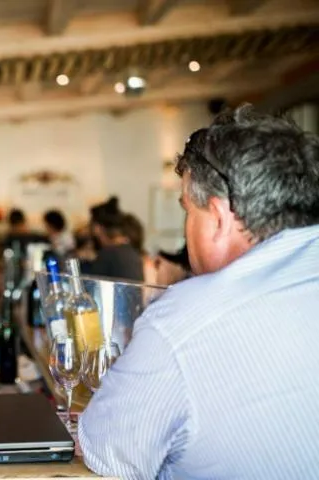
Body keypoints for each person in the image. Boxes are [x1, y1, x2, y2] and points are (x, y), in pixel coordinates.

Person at [77, 105, 319, 479]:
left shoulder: (185, 321)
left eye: (188, 210)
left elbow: (105, 456)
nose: (186, 226)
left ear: (219, 219)